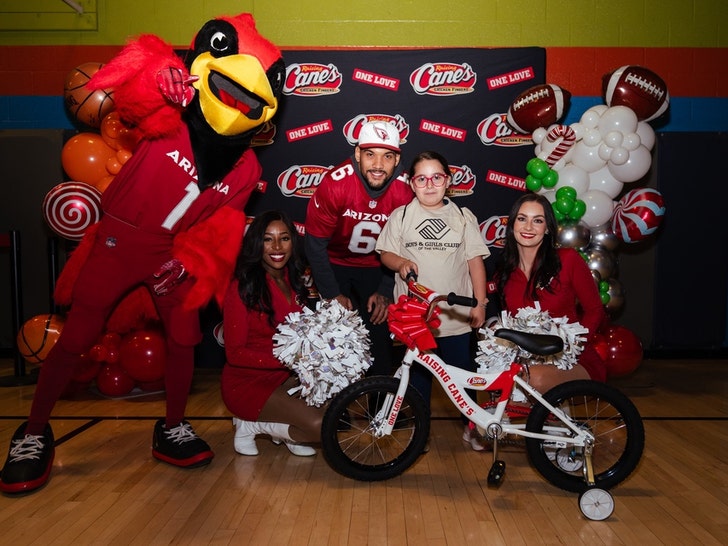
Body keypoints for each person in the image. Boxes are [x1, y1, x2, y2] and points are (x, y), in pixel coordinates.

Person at [0, 13, 286, 494]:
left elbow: (219, 228)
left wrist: (188, 261)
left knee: (183, 338)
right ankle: (32, 432)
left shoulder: (246, 164)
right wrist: (161, 78)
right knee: (76, 337)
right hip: (116, 241)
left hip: (167, 254)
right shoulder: (171, 114)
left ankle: (172, 425)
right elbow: (131, 95)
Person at [376, 150, 490, 451]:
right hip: (417, 320)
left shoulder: (463, 217)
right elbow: (385, 253)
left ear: (448, 181)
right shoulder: (401, 216)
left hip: (455, 319)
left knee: (465, 378)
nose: (429, 184)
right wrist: (400, 262)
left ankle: (473, 428)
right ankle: (421, 431)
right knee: (418, 382)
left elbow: (475, 263)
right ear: (411, 184)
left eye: (436, 177)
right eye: (421, 178)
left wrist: (480, 303)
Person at [304, 121, 413, 377]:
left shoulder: (406, 190)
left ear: (397, 159)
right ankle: (334, 411)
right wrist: (331, 293)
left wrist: (386, 290)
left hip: (378, 265)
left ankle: (381, 411)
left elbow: (405, 247)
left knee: (379, 339)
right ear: (357, 154)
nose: (378, 165)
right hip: (334, 262)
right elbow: (314, 243)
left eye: (387, 156)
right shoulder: (336, 184)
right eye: (370, 154)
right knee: (332, 339)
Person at [221, 210, 324, 457]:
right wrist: (291, 361)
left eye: (284, 238)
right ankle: (251, 424)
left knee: (340, 414)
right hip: (248, 383)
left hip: (286, 376)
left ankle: (286, 427)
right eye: (268, 239)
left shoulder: (293, 278)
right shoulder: (241, 287)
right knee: (322, 428)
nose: (277, 246)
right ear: (257, 243)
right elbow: (234, 354)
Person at [495, 193, 607, 393]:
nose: (528, 227)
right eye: (522, 219)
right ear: (512, 225)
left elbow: (595, 310)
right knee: (495, 380)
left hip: (573, 360)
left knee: (530, 378)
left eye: (537, 221)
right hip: (525, 362)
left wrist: (573, 347)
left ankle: (554, 415)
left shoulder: (568, 260)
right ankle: (548, 419)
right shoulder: (504, 273)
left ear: (547, 228)